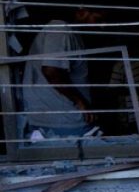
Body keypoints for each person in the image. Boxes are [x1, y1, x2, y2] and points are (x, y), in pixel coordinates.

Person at [21, 7, 105, 137]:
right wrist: (79, 102)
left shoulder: (71, 32)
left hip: (65, 117)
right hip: (63, 119)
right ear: (82, 12)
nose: (101, 26)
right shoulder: (60, 29)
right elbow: (51, 71)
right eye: (97, 20)